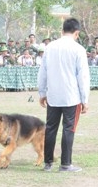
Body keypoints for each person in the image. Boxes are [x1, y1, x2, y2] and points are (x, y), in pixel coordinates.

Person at [37, 17, 90, 172]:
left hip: (53, 95)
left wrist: (42, 92)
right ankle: (66, 164)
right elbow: (83, 76)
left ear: (62, 31)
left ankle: (48, 163)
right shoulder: (78, 49)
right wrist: (85, 99)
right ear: (77, 33)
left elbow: (43, 72)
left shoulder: (50, 47)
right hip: (71, 96)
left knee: (51, 128)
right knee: (69, 129)